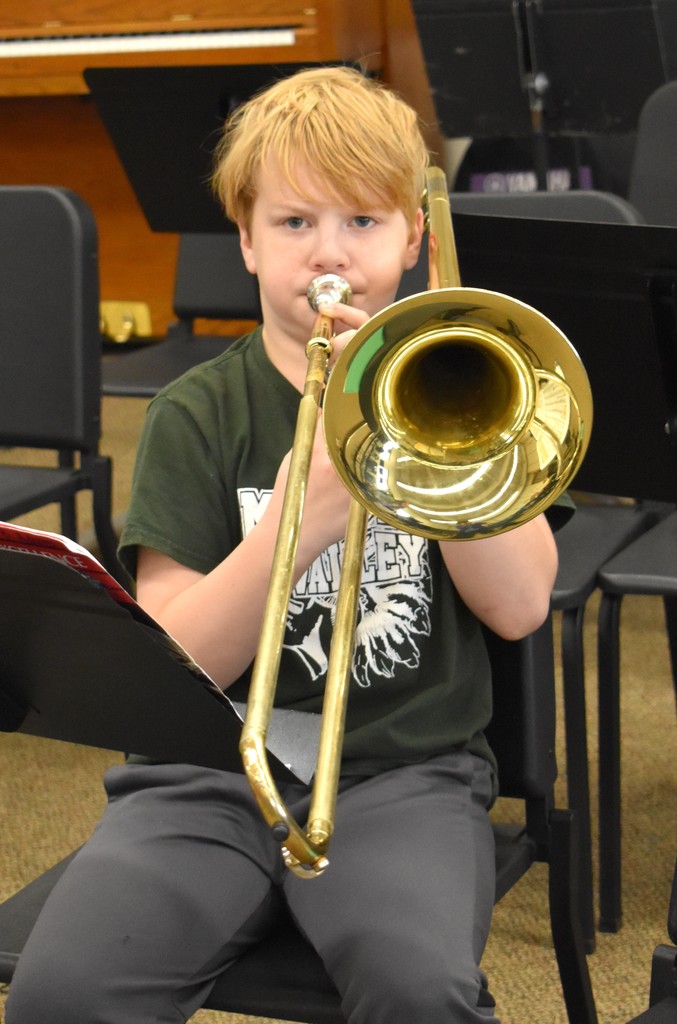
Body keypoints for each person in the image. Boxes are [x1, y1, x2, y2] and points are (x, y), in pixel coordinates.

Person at [5, 66, 562, 1024]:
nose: (327, 256)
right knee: (64, 996)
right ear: (248, 246)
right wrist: (307, 518)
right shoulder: (197, 412)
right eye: (295, 224)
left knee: (420, 993)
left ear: (414, 237)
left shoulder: (461, 395)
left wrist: (433, 443)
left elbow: (516, 607)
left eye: (361, 222)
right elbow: (180, 660)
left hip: (401, 773)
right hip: (203, 777)